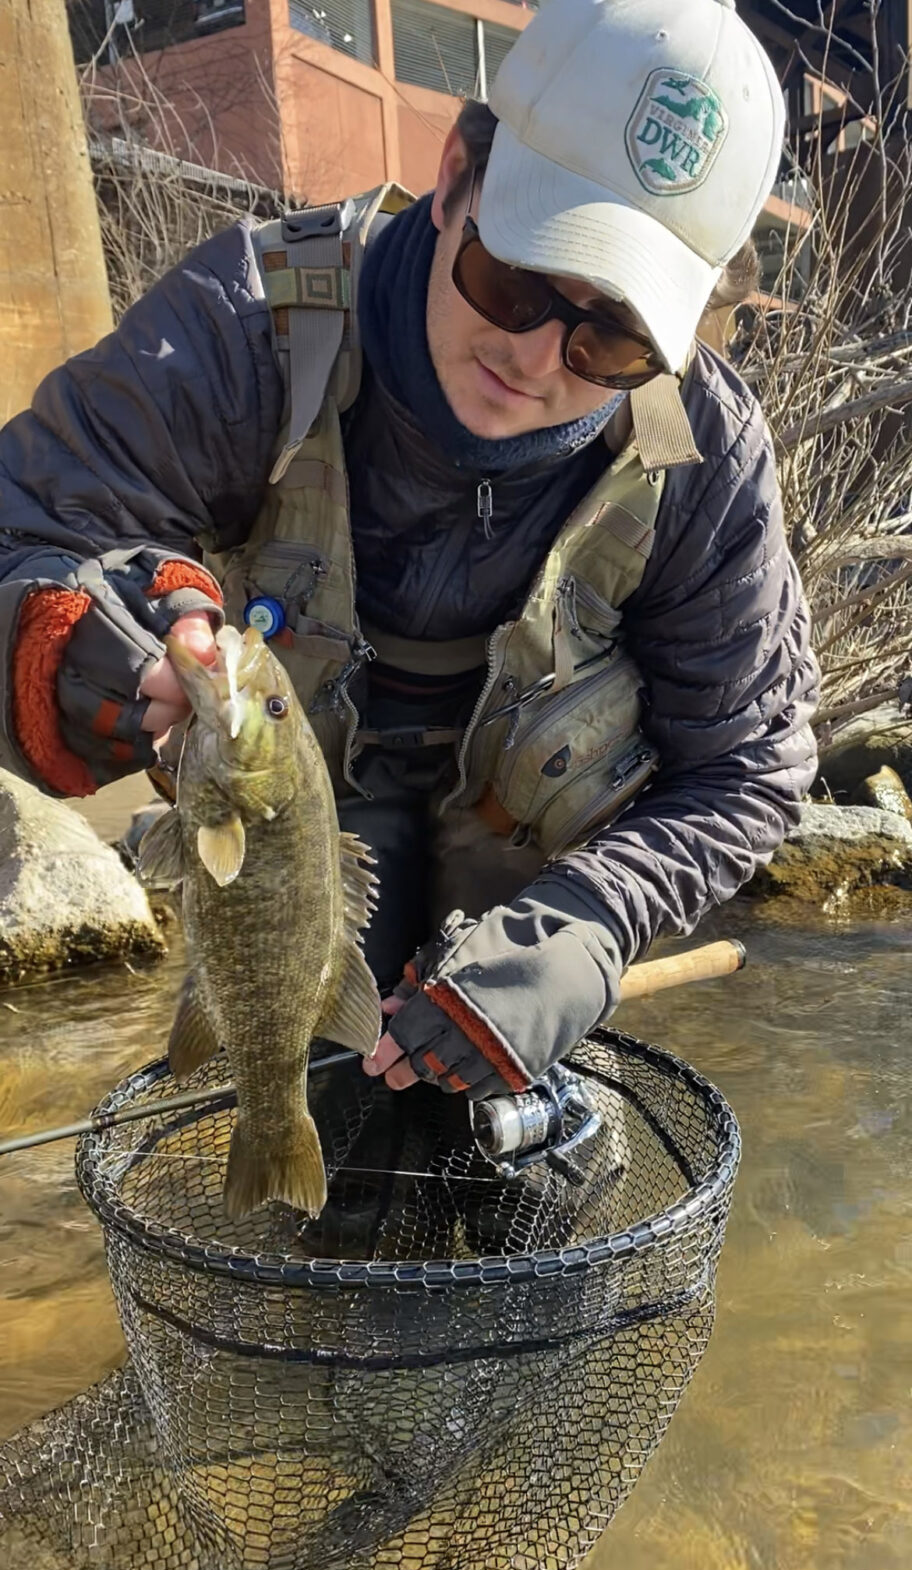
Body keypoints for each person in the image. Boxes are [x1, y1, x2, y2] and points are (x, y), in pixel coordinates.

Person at [0, 0, 817, 1112]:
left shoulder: (705, 456)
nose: (534, 359)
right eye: (517, 279)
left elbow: (749, 763)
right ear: (456, 178)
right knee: (315, 1155)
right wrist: (118, 650)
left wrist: (589, 921)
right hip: (296, 865)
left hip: (533, 875)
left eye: (612, 339)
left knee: (515, 1172)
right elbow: (28, 524)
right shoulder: (248, 327)